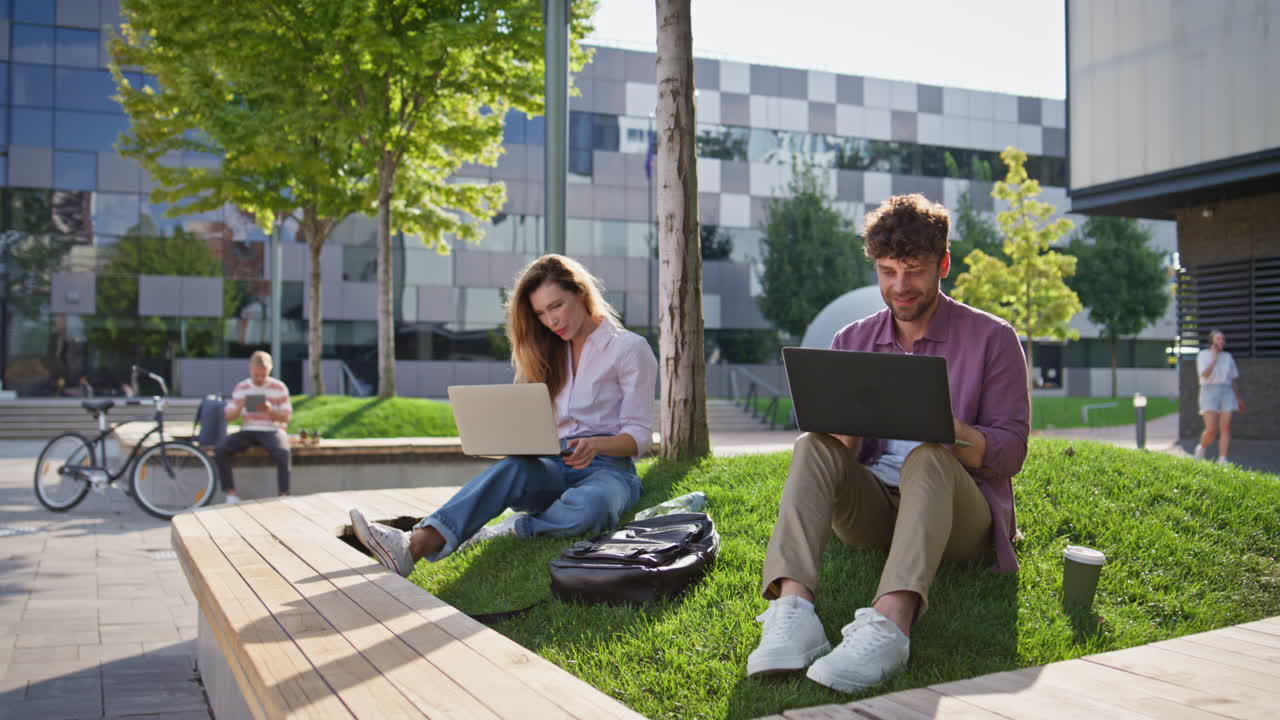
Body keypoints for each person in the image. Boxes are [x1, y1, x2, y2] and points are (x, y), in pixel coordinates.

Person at [746, 194, 1030, 694]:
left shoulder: (992, 338)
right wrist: (843, 433)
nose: (900, 286)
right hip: (875, 510)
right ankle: (793, 610)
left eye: (914, 271)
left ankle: (891, 626)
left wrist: (944, 427)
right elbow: (840, 453)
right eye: (887, 272)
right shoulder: (852, 339)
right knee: (813, 445)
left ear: (943, 265)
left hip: (957, 517)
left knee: (929, 455)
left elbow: (1011, 453)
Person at [349, 254, 658, 577]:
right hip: (553, 464)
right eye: (540, 313)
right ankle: (411, 546)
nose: (551, 320)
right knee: (512, 468)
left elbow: (639, 436)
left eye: (556, 306)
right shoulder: (548, 350)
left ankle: (511, 528)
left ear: (580, 293)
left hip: (608, 470)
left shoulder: (629, 349)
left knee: (593, 505)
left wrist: (595, 445)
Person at [216, 351, 293, 502]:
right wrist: (240, 406)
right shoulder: (241, 387)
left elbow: (286, 417)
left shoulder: (279, 387)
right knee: (221, 449)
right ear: (250, 369)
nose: (259, 378)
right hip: (248, 429)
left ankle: (284, 495)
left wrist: (270, 410)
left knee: (283, 452)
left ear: (270, 370)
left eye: (263, 375)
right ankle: (231, 494)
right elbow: (228, 417)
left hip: (272, 429)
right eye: (256, 375)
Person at [1195, 329, 1244, 464]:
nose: (1221, 341)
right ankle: (1202, 447)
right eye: (1218, 338)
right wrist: (1214, 359)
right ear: (1211, 341)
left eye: (1223, 339)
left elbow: (1232, 380)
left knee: (1225, 427)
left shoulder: (1228, 357)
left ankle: (1222, 459)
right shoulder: (1203, 355)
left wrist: (1238, 398)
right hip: (1208, 391)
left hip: (1226, 391)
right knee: (1211, 429)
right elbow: (1205, 375)